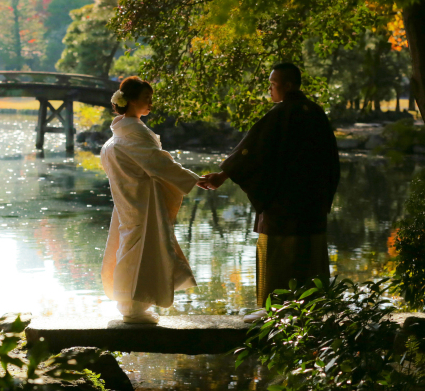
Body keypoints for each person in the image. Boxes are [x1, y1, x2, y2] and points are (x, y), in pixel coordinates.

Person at [201, 63, 340, 323]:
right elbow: (332, 161)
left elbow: (252, 150)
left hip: (284, 201)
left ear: (287, 86)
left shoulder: (282, 113)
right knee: (309, 251)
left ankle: (275, 311)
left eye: (273, 84)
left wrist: (222, 176)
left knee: (279, 252)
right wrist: (325, 196)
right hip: (313, 201)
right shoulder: (317, 112)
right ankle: (312, 309)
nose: (270, 89)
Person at [100, 76, 207, 324]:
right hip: (140, 201)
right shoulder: (134, 132)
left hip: (127, 199)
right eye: (147, 99)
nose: (151, 104)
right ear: (131, 101)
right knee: (141, 249)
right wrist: (194, 179)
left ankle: (130, 304)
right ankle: (134, 308)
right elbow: (159, 163)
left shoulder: (119, 133)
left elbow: (154, 163)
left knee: (130, 247)